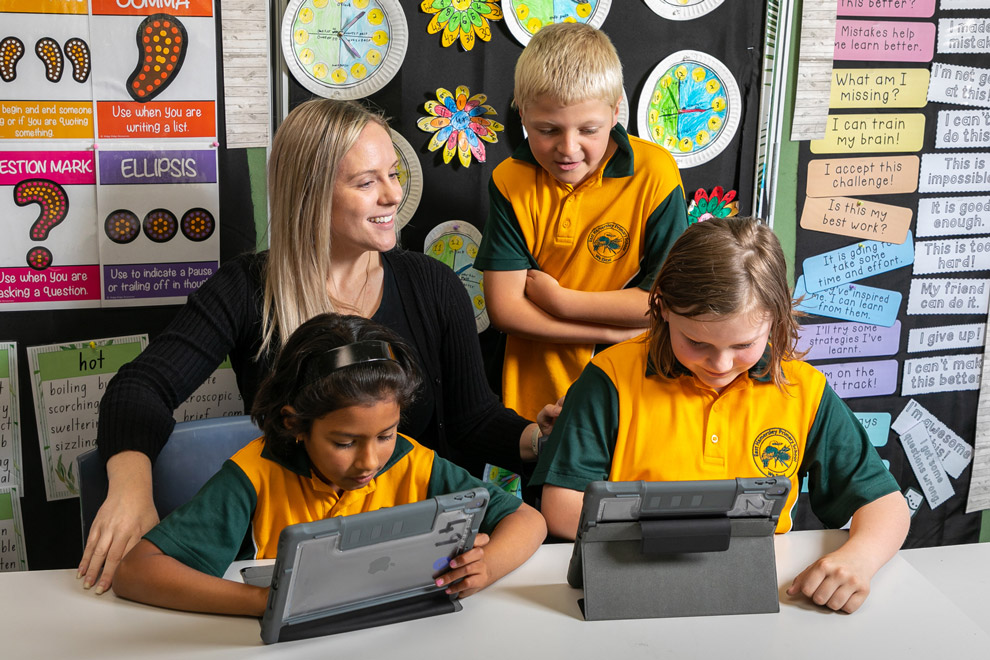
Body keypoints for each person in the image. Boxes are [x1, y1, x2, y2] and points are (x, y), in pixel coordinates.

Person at [82, 99, 555, 594]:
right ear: (310, 194)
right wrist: (130, 489)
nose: (393, 195)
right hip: (294, 542)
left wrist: (537, 438)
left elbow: (472, 419)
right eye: (367, 182)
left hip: (415, 554)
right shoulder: (248, 288)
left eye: (393, 174)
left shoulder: (433, 285)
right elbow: (140, 387)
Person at [533, 217, 910, 614]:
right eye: (696, 341)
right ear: (661, 306)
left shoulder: (802, 388)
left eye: (744, 343)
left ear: (776, 317)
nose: (720, 363)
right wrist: (678, 536)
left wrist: (860, 559)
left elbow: (885, 503)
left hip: (758, 585)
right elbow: (560, 507)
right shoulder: (609, 378)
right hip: (632, 577)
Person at [112, 314, 546, 615]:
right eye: (344, 441)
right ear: (295, 424)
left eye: (385, 434)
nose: (370, 461)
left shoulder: (414, 461)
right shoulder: (253, 476)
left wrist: (486, 568)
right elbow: (137, 572)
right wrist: (266, 603)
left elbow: (529, 521)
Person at [474, 22, 688, 421]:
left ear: (615, 112)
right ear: (522, 114)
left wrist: (562, 301)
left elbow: (663, 305)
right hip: (534, 398)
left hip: (634, 396)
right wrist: (606, 331)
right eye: (547, 129)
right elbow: (505, 309)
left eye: (588, 130)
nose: (568, 148)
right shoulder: (509, 179)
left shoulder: (655, 173)